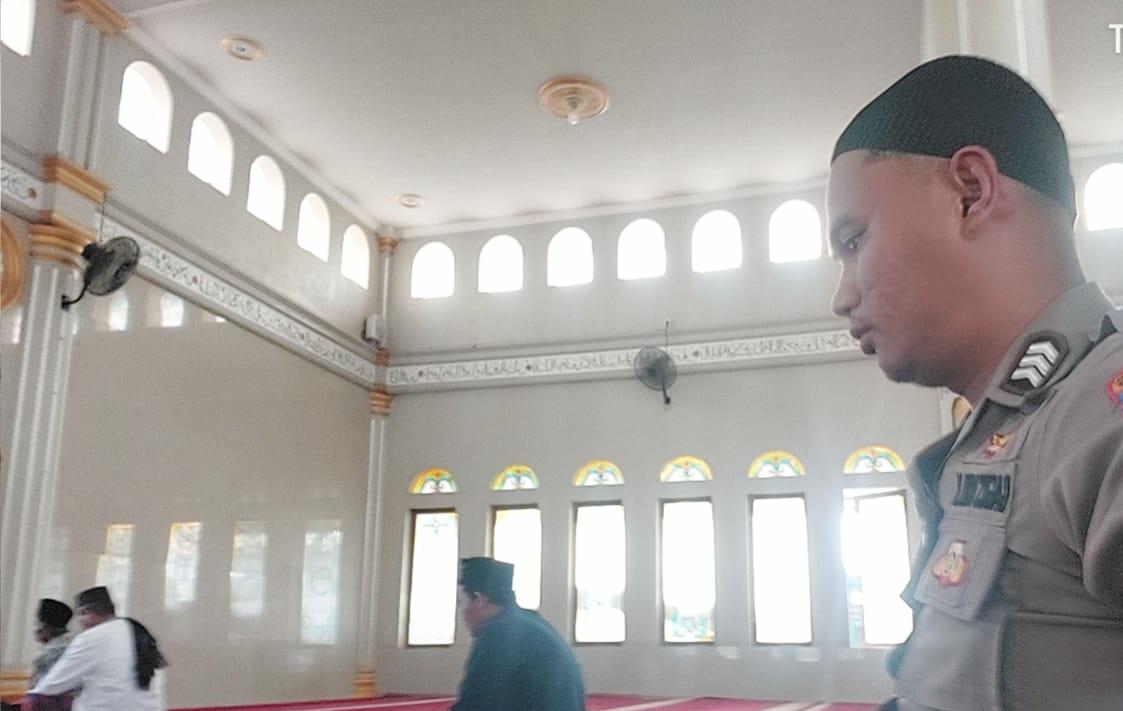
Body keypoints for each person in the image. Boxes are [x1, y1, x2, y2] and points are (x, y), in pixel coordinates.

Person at [828, 54, 1123, 711]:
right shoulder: (1011, 428)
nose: (841, 296)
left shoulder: (1098, 417)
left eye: (853, 241)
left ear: (969, 191)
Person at [451, 557, 585, 711]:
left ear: (479, 600)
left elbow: (473, 703)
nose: (461, 613)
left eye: (461, 602)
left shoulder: (498, 633)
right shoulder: (531, 622)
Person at [26, 587, 166, 711]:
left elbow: (53, 685)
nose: (80, 622)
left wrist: (31, 698)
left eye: (80, 615)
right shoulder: (134, 629)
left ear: (87, 612)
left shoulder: (91, 637)